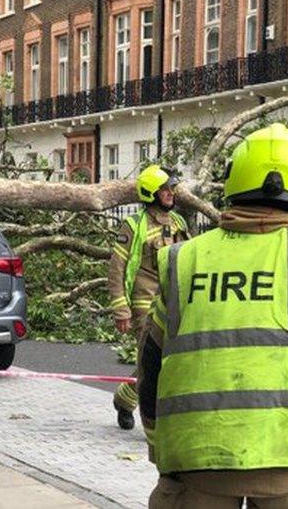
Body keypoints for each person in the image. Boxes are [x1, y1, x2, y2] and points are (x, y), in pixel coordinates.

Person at [138, 123, 288, 508]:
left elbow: (151, 364)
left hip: (197, 462)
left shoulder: (183, 260)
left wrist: (161, 447)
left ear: (234, 186)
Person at [107, 164, 190, 430]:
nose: (170, 193)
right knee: (154, 358)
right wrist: (121, 310)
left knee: (168, 359)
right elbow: (116, 269)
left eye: (171, 188)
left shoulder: (179, 223)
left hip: (174, 300)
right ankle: (153, 420)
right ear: (150, 193)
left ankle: (125, 398)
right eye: (164, 189)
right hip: (145, 301)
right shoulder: (133, 226)